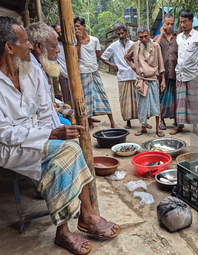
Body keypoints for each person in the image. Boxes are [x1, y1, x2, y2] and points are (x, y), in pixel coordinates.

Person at [0, 17, 120, 255]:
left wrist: (51, 134)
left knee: (64, 153)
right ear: (9, 47)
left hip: (38, 138)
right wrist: (49, 135)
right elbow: (4, 133)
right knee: (70, 149)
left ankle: (69, 228)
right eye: (25, 41)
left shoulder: (31, 70)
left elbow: (46, 113)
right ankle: (83, 218)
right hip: (10, 147)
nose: (31, 46)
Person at [101, 23, 151, 130]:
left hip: (135, 76)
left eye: (122, 33)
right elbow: (103, 57)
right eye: (118, 34)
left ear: (126, 32)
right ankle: (128, 122)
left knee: (140, 100)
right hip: (122, 77)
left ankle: (144, 122)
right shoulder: (113, 46)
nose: (120, 36)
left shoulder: (134, 44)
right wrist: (112, 64)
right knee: (125, 102)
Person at [26, 21, 76, 127]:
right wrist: (56, 132)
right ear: (39, 47)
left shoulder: (38, 66)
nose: (58, 50)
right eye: (54, 46)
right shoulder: (33, 70)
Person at [74, 17, 118, 130]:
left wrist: (92, 64)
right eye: (74, 27)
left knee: (102, 95)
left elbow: (98, 56)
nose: (76, 28)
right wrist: (78, 41)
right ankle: (90, 122)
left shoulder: (94, 40)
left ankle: (112, 122)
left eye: (78, 26)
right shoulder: (74, 41)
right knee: (86, 99)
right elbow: (76, 57)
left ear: (84, 26)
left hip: (94, 71)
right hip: (83, 73)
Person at [124, 25, 166, 137]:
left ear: (149, 35)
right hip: (140, 80)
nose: (143, 39)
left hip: (153, 79)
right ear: (138, 36)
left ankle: (158, 127)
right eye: (141, 37)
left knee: (156, 105)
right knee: (141, 105)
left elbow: (161, 64)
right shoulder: (135, 45)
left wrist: (163, 80)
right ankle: (143, 127)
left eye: (145, 36)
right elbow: (126, 56)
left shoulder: (156, 46)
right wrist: (132, 66)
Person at [171, 10, 198, 136]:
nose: (182, 25)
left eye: (185, 22)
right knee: (180, 101)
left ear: (192, 21)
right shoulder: (178, 37)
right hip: (179, 73)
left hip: (191, 74)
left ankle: (195, 127)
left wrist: (193, 66)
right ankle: (179, 126)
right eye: (181, 22)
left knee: (192, 100)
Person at [154, 13, 178, 130]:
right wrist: (161, 34)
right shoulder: (157, 38)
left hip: (175, 72)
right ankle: (162, 120)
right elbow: (153, 49)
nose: (170, 26)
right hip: (161, 74)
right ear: (163, 24)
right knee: (161, 97)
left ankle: (176, 120)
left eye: (172, 24)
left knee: (175, 97)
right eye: (167, 24)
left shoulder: (178, 37)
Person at [52, 23, 72, 106]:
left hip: (74, 73)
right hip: (63, 74)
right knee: (67, 97)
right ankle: (71, 115)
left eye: (60, 32)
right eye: (57, 33)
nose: (60, 34)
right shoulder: (55, 45)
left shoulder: (72, 41)